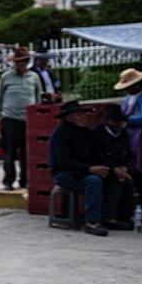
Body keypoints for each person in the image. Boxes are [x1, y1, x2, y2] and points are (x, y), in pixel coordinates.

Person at [91, 104, 142, 230]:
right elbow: (96, 155)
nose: (118, 124)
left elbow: (131, 156)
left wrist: (126, 168)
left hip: (123, 168)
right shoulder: (96, 134)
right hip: (106, 169)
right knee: (120, 180)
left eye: (120, 121)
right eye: (114, 121)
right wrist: (113, 168)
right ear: (106, 121)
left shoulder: (124, 134)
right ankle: (112, 217)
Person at [48, 101, 109, 236]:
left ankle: (111, 217)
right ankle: (91, 222)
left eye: (82, 114)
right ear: (69, 118)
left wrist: (113, 168)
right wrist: (90, 169)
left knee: (113, 178)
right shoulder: (61, 134)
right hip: (65, 173)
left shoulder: (85, 132)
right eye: (78, 114)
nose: (83, 117)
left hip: (83, 171)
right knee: (94, 181)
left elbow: (96, 153)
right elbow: (64, 162)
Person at [0, 47, 42, 190]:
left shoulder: (34, 77)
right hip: (10, 118)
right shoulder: (6, 77)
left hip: (28, 119)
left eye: (23, 61)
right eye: (17, 62)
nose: (20, 64)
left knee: (26, 152)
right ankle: (8, 180)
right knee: (9, 151)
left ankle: (25, 179)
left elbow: (38, 97)